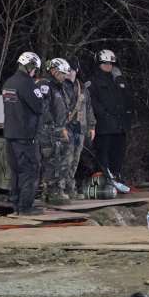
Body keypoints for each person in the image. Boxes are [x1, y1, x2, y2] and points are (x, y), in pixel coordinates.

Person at [2, 51, 46, 215]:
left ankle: (15, 204)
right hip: (25, 136)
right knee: (30, 170)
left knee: (15, 171)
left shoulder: (8, 82)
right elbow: (39, 107)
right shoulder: (28, 84)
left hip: (10, 134)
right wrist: (40, 92)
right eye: (35, 69)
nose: (35, 72)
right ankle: (26, 207)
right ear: (31, 67)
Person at [88, 49, 133, 181]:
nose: (108, 66)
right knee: (103, 155)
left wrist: (127, 115)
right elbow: (92, 102)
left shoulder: (118, 80)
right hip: (104, 127)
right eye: (105, 63)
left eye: (111, 63)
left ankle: (116, 177)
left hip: (119, 126)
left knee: (118, 153)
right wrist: (104, 115)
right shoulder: (93, 81)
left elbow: (127, 99)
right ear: (98, 64)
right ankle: (104, 180)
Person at [38, 58, 75, 204]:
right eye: (62, 73)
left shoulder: (59, 86)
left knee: (59, 161)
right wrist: (57, 129)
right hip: (49, 132)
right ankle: (53, 192)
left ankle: (52, 191)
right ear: (53, 71)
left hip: (59, 130)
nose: (64, 76)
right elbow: (44, 110)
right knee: (52, 162)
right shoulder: (45, 85)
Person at [64, 59, 95, 198]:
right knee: (67, 159)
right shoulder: (60, 87)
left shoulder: (82, 87)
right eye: (68, 70)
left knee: (75, 160)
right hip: (66, 128)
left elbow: (88, 108)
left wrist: (92, 126)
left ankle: (70, 188)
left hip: (80, 128)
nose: (70, 72)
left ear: (77, 71)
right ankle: (64, 188)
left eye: (72, 70)